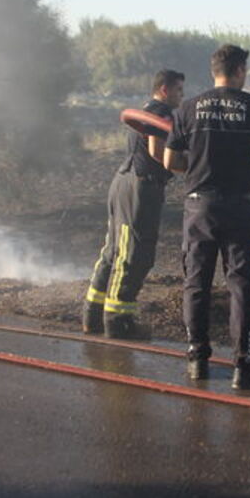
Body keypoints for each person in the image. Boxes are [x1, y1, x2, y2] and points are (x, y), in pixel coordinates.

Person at [163, 44, 250, 389]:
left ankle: (197, 360)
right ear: (240, 71)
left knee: (196, 282)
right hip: (240, 206)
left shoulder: (188, 107)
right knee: (241, 285)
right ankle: (245, 366)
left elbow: (169, 162)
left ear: (213, 70)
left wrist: (199, 168)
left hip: (199, 206)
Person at [84, 69, 185, 339]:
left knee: (114, 249)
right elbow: (157, 152)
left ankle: (92, 315)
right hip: (142, 187)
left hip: (122, 182)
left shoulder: (147, 110)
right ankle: (118, 322)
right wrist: (192, 167)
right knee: (134, 255)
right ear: (164, 89)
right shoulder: (162, 114)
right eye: (178, 91)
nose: (181, 96)